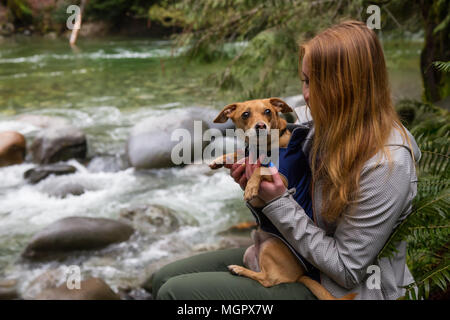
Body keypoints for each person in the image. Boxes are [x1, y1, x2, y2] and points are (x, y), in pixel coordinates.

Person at [151, 20, 420, 300]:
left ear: (350, 87)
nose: (306, 94)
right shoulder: (316, 128)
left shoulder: (388, 165)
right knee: (163, 278)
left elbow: (347, 270)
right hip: (294, 254)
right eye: (305, 81)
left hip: (339, 289)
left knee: (176, 294)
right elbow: (281, 194)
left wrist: (278, 202)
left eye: (318, 83)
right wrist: (256, 192)